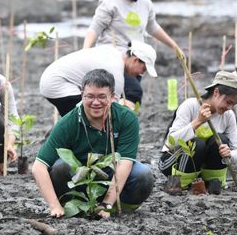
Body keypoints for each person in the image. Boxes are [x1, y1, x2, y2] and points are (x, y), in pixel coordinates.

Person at [33, 69, 154, 218]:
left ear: (112, 96)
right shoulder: (68, 123)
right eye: (89, 96)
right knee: (61, 166)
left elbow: (125, 164)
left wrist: (107, 204)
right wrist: (54, 206)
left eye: (102, 97)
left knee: (142, 174)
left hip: (110, 176)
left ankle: (118, 210)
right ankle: (72, 207)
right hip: (78, 179)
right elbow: (39, 167)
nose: (96, 102)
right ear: (81, 95)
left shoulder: (126, 118)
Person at [83, 0, 181, 104]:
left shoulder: (146, 3)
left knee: (127, 98)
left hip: (137, 59)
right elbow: (94, 29)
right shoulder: (110, 3)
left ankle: (120, 124)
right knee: (132, 93)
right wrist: (85, 51)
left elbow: (152, 27)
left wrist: (174, 46)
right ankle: (119, 122)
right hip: (113, 59)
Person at [159, 71, 237, 194]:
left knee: (221, 140)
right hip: (172, 163)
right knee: (197, 144)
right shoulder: (190, 105)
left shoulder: (228, 116)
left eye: (234, 105)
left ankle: (212, 183)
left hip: (201, 168)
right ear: (216, 92)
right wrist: (198, 121)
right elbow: (171, 142)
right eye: (228, 102)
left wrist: (229, 154)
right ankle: (179, 183)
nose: (230, 108)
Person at [40, 41, 157, 116]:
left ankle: (59, 137)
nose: (142, 73)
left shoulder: (113, 52)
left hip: (52, 78)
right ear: (135, 60)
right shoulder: (116, 72)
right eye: (144, 69)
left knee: (80, 116)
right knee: (87, 117)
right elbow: (111, 110)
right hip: (58, 84)